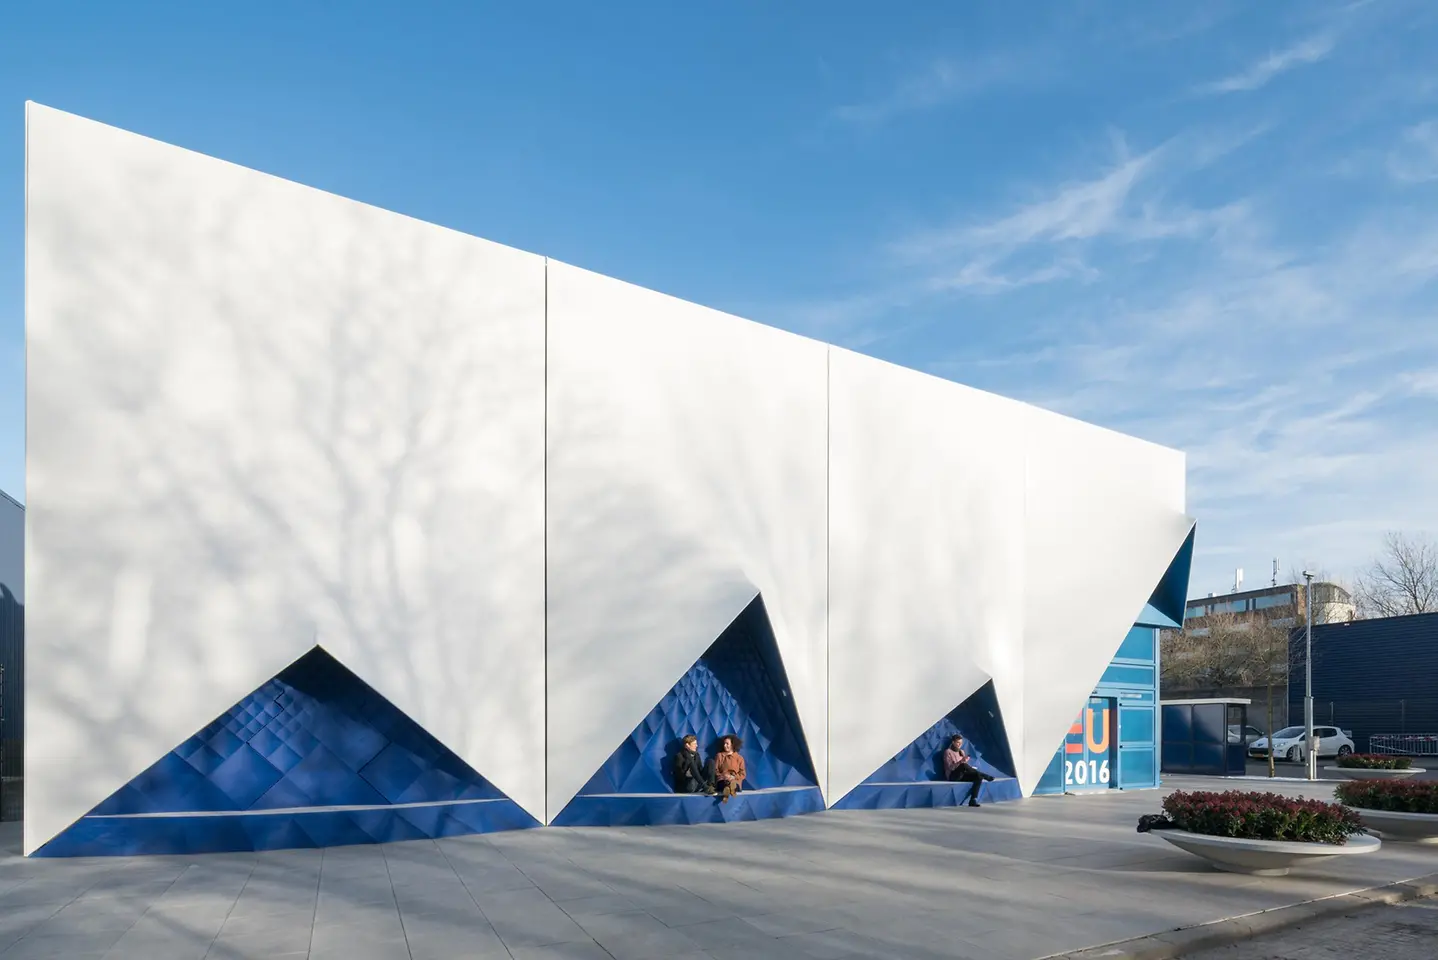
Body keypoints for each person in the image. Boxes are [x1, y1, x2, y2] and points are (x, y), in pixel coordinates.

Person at [942, 734, 995, 807]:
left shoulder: (961, 752)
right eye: (958, 742)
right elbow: (951, 768)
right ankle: (985, 775)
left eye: (961, 743)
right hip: (953, 776)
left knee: (978, 776)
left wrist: (965, 761)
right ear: (953, 742)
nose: (959, 744)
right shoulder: (948, 752)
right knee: (963, 765)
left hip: (962, 775)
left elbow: (965, 767)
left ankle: (973, 800)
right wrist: (961, 762)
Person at [712, 734, 747, 803]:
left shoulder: (739, 758)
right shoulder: (719, 756)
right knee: (724, 783)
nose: (725, 745)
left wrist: (733, 777)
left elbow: (743, 774)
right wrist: (723, 776)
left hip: (734, 780)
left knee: (733, 783)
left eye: (727, 744)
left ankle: (729, 789)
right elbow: (715, 770)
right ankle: (729, 790)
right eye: (724, 743)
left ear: (733, 745)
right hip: (722, 779)